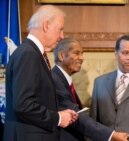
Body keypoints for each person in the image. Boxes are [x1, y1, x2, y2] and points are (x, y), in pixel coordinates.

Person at [3, 5, 78, 141]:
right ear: (46, 25)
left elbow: (38, 99)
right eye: (60, 29)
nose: (62, 36)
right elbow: (23, 104)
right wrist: (58, 118)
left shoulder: (32, 52)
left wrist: (59, 113)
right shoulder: (28, 54)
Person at [51, 38, 129, 141]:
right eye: (76, 53)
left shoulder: (62, 79)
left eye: (82, 53)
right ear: (61, 55)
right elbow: (75, 116)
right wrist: (111, 135)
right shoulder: (54, 79)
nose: (81, 58)